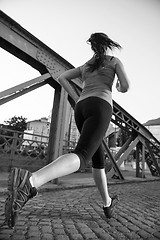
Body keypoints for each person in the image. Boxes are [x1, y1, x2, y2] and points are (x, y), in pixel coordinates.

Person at [5, 32, 129, 228]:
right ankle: (31, 181)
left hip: (82, 107)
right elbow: (126, 86)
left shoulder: (85, 66)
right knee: (82, 155)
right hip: (101, 106)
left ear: (92, 46)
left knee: (97, 160)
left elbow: (62, 77)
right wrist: (120, 87)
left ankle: (107, 203)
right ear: (107, 45)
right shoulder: (114, 61)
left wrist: (76, 95)